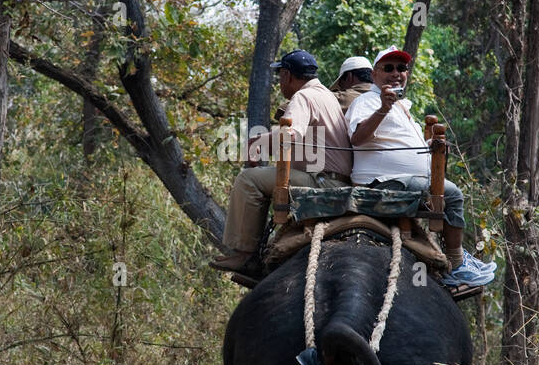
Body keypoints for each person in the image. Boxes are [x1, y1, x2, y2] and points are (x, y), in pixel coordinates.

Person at [346, 46, 496, 289]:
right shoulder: (367, 101)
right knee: (453, 194)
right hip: (382, 183)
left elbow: (400, 142)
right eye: (389, 68)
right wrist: (383, 108)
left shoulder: (401, 107)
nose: (396, 73)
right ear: (374, 75)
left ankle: (458, 259)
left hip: (402, 180)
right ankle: (456, 265)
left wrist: (431, 146)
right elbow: (358, 137)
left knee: (450, 192)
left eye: (401, 68)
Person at [211, 50, 353, 276]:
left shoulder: (303, 97)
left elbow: (291, 133)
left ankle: (244, 255)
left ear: (286, 75)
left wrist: (256, 143)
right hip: (336, 181)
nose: (279, 82)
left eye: (280, 77)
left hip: (322, 182)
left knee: (248, 180)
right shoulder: (327, 95)